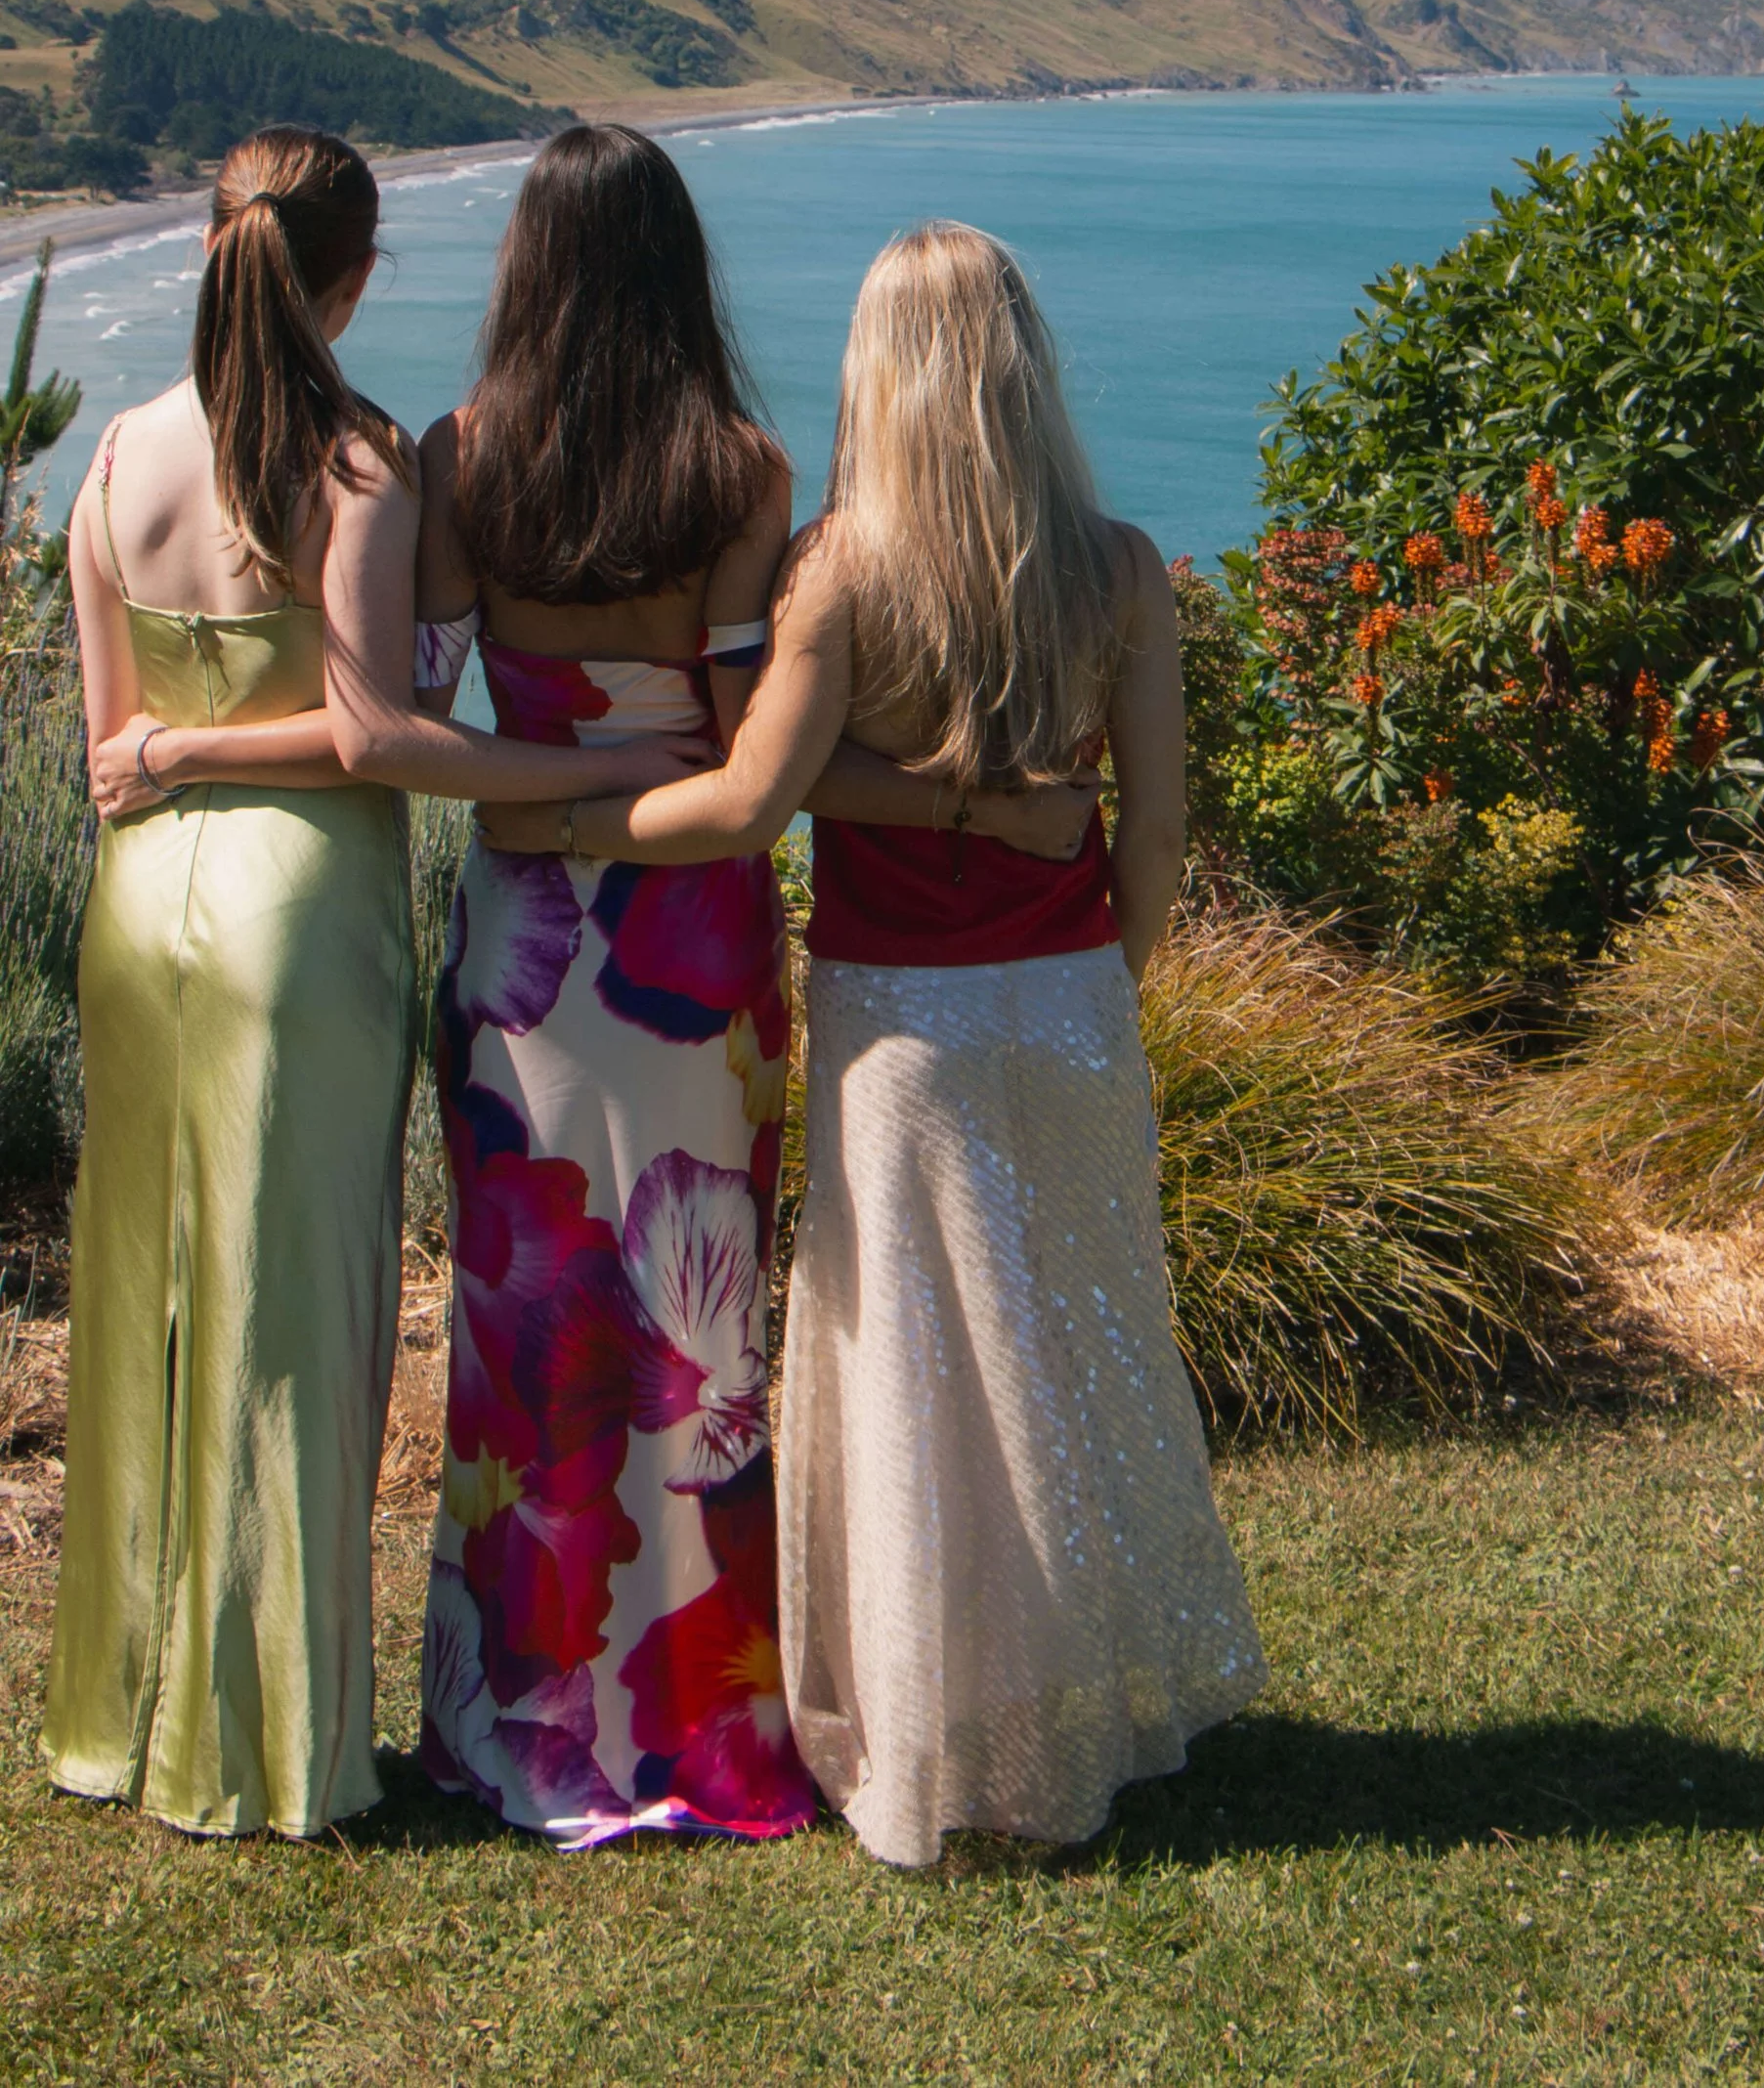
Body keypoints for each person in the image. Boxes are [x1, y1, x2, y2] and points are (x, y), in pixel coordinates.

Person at [487, 220, 1267, 1865]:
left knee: (913, 1385)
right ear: (1025, 367)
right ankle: (1091, 1711)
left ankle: (930, 1747)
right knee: (1072, 1352)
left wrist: (560, 813)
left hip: (894, 1024)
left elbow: (756, 794)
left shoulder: (840, 564)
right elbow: (1155, 837)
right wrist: (1076, 968)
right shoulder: (1119, 567)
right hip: (1064, 1006)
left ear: (881, 375)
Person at [42, 126, 646, 1840]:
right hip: (298, 919)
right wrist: (554, 774)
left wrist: (170, 738)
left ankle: (124, 1710)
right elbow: (379, 734)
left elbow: (108, 757)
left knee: (147, 1305)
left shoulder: (108, 459)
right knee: (295, 1319)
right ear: (354, 278)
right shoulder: (359, 467)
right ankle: (275, 1742)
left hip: (138, 910)